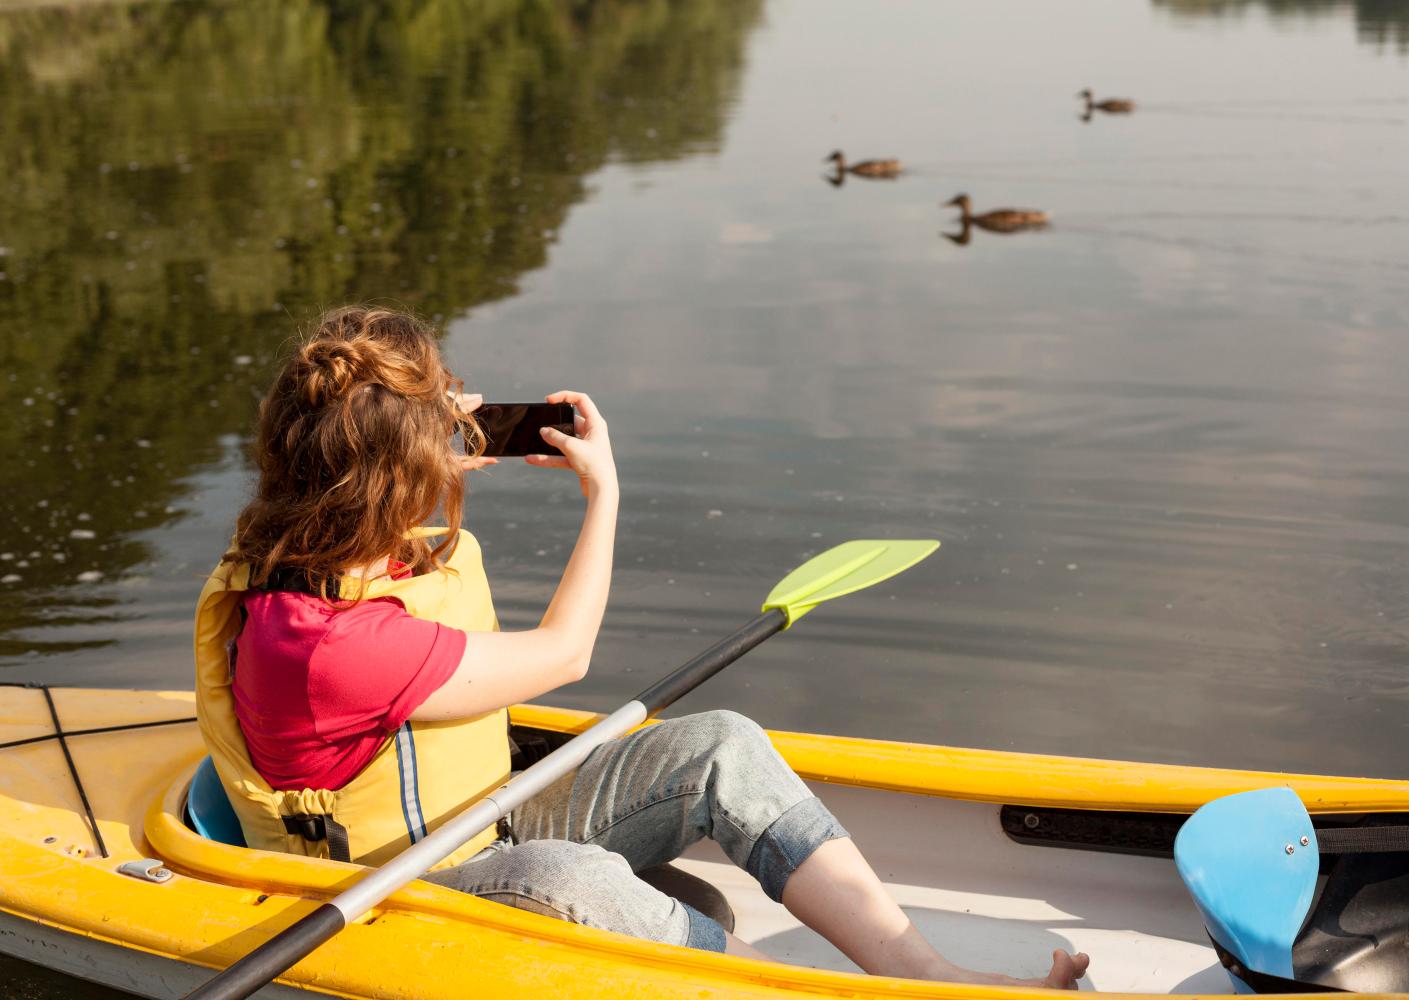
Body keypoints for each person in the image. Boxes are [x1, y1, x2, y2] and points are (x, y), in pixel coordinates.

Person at [193, 305, 1089, 989]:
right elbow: (566, 653)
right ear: (394, 478)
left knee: (722, 746)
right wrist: (603, 493)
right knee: (573, 878)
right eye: (435, 425)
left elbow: (370, 483)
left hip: (476, 818)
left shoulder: (315, 543)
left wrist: (441, 438)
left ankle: (926, 981)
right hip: (404, 887)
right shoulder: (327, 645)